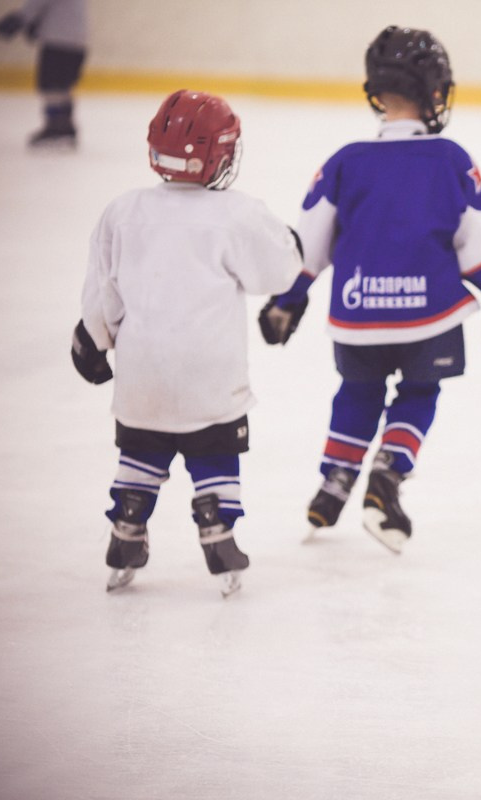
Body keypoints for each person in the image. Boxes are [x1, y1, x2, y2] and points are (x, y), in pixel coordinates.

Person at [258, 26, 481, 554]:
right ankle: (388, 470)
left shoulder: (345, 161)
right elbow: (479, 236)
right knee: (419, 391)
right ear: (434, 92)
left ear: (377, 93)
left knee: (357, 392)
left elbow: (308, 241)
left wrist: (289, 300)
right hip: (430, 313)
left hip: (357, 311)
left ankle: (335, 480)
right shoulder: (451, 158)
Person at [72, 90, 304, 596]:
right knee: (214, 446)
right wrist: (289, 243)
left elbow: (103, 290)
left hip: (141, 371)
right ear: (220, 154)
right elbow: (279, 272)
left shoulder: (123, 211)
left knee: (142, 447)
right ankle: (217, 526)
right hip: (211, 374)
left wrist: (92, 339)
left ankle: (128, 522)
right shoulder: (238, 214)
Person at [0, 0, 86, 147]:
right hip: (77, 41)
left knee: (51, 86)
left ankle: (57, 126)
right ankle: (65, 126)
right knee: (61, 86)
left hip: (58, 41)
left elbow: (38, 3)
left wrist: (22, 18)